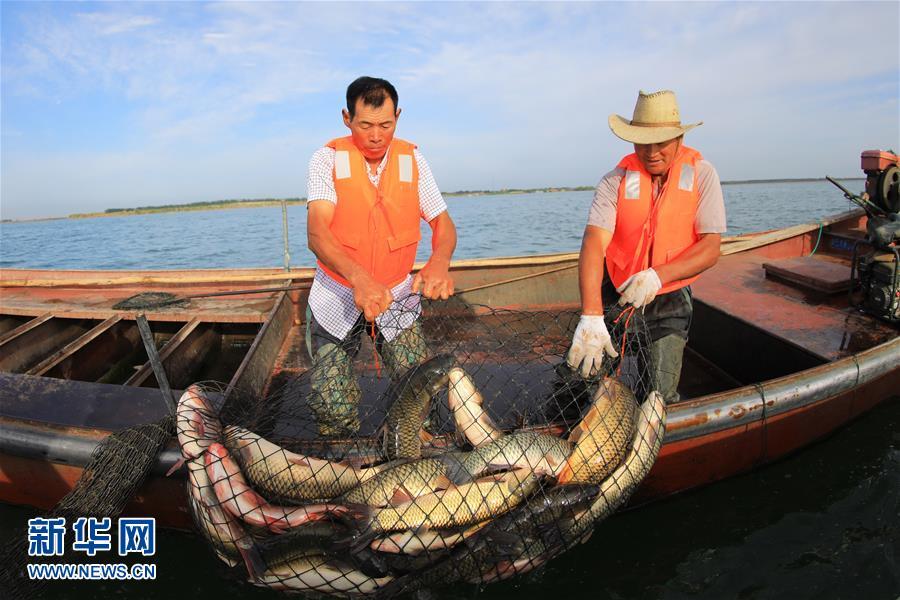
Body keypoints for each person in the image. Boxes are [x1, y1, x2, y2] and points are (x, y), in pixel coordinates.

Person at [305, 76, 457, 436]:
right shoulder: (325, 159)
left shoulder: (413, 158)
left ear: (398, 117)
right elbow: (317, 232)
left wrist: (439, 261)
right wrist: (359, 278)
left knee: (423, 393)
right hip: (338, 293)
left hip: (396, 294)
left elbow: (443, 221)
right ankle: (340, 456)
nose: (376, 135)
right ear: (347, 118)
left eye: (386, 125)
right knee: (332, 404)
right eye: (365, 125)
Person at [566, 90, 726, 403]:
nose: (651, 152)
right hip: (616, 292)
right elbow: (593, 242)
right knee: (580, 380)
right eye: (642, 142)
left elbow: (710, 248)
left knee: (657, 397)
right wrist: (591, 314)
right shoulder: (615, 180)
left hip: (669, 299)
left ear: (679, 139)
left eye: (661, 142)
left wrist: (657, 276)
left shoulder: (703, 175)